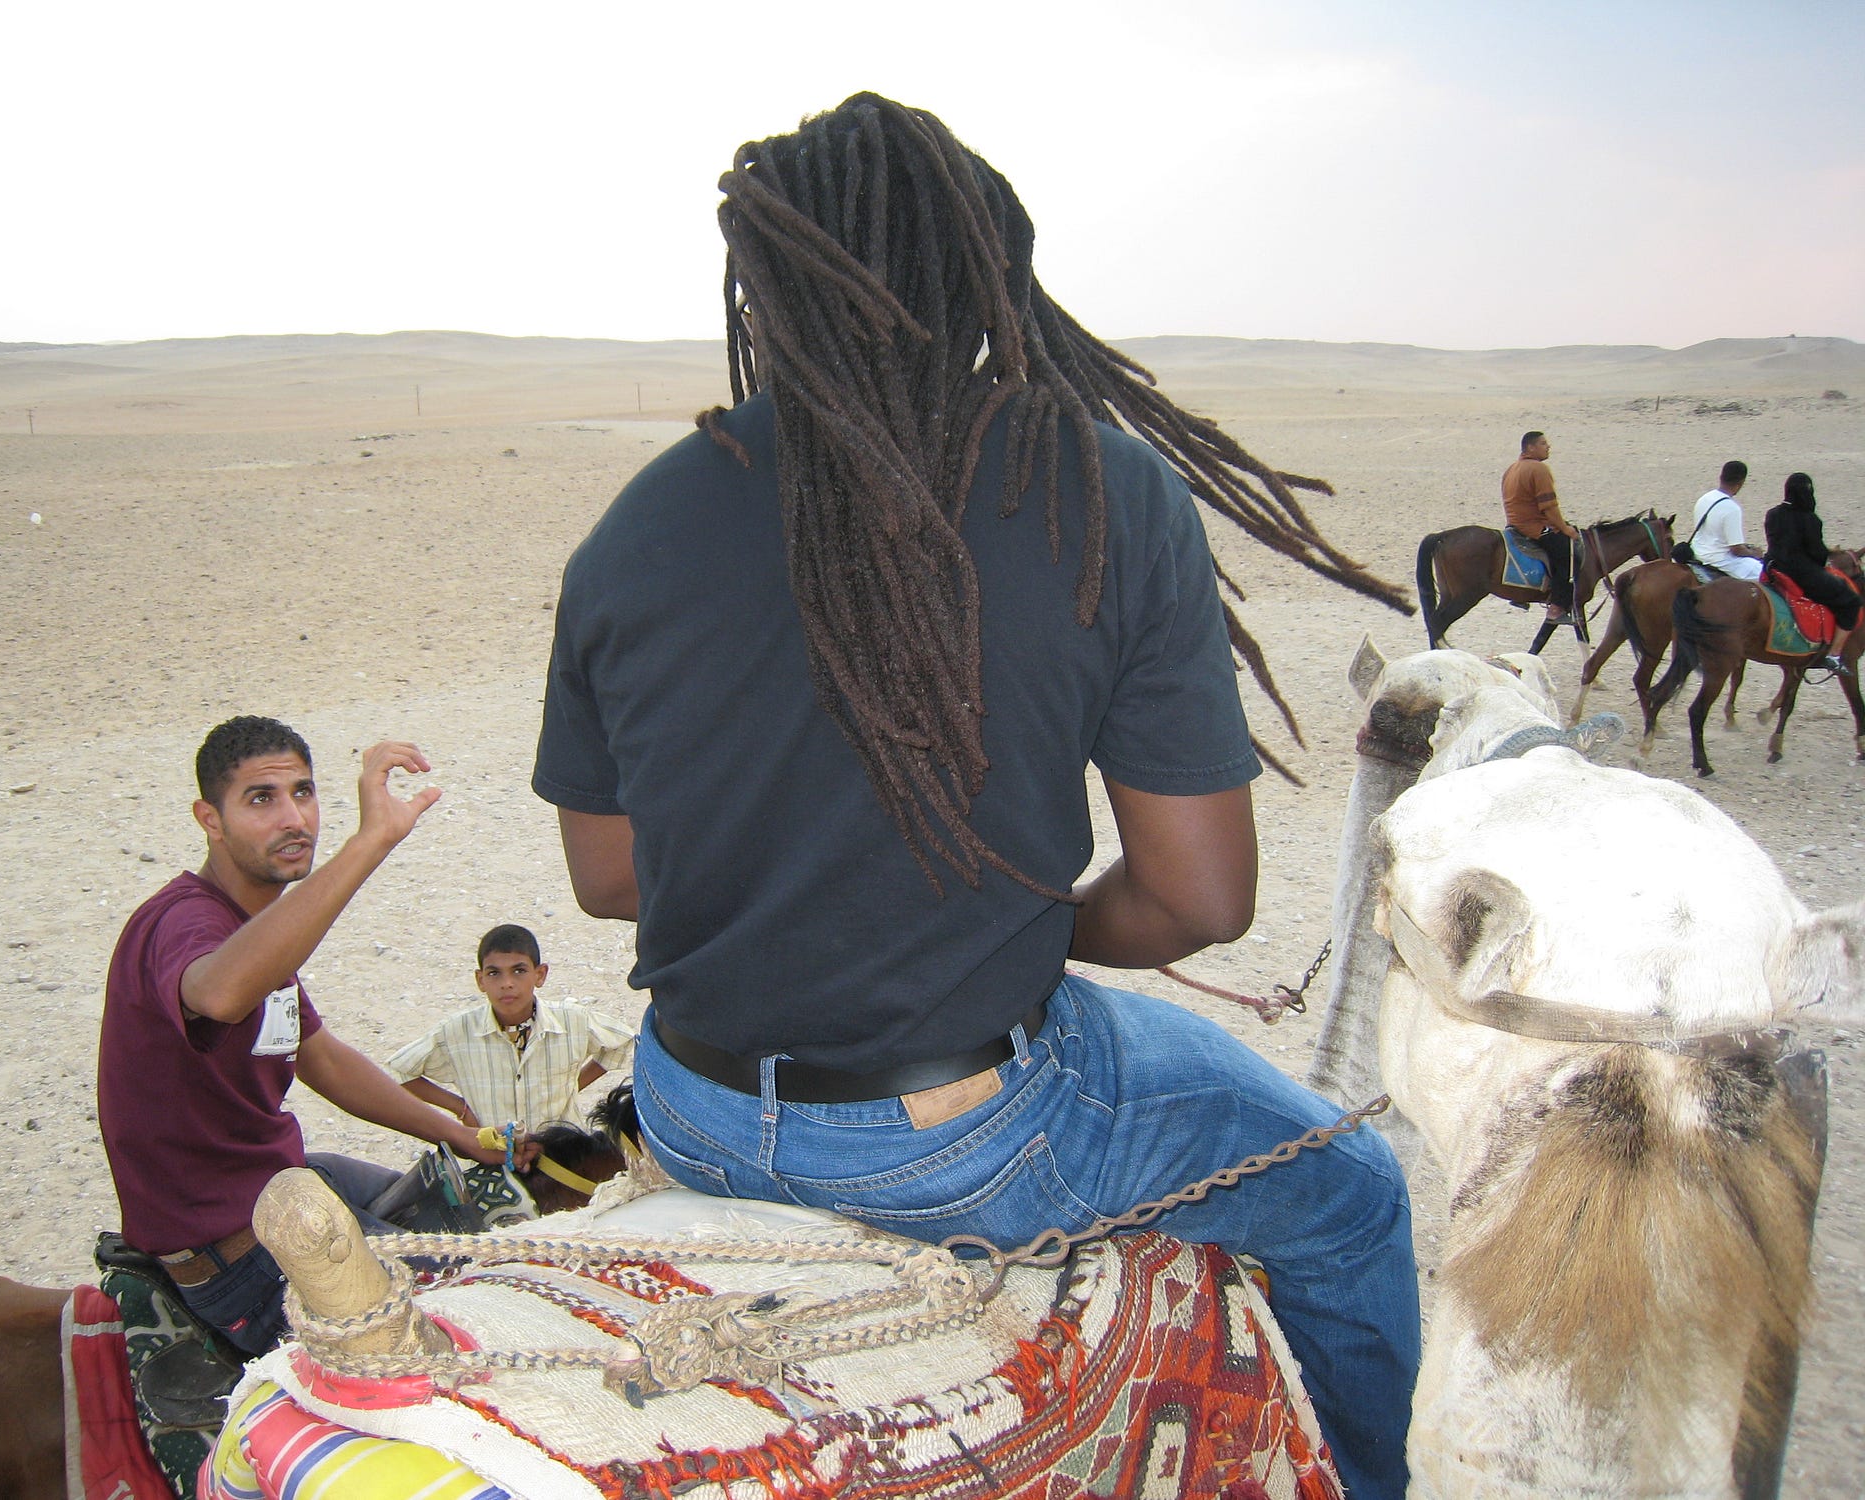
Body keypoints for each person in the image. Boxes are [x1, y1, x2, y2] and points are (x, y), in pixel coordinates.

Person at [533, 94, 1417, 1499]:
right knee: (1356, 1197)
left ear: (760, 286)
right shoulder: (1100, 491)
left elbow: (606, 880)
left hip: (692, 1106)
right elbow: (1200, 899)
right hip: (967, 1139)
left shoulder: (632, 525)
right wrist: (1028, 922)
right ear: (991, 271)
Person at [97, 716, 504, 1355]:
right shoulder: (182, 923)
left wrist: (458, 1134)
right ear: (210, 819)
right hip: (231, 1241)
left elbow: (324, 1059)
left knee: (483, 1235)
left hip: (281, 1179)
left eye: (304, 793)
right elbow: (219, 993)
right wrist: (371, 841)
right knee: (468, 1323)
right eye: (262, 799)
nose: (294, 819)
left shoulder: (255, 928)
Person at [389, 923, 635, 1137]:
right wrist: (460, 1108)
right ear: (480, 980)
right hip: (492, 1155)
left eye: (519, 971)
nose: (507, 983)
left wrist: (570, 1087)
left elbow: (624, 1042)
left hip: (561, 1154)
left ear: (540, 975)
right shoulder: (456, 1033)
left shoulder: (573, 1022)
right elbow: (399, 1071)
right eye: (494, 973)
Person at [1765, 471, 1857, 674]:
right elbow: (1817, 554)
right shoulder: (1810, 519)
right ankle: (1834, 654)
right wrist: (1828, 552)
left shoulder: (1773, 514)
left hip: (1773, 568)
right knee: (1851, 601)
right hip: (1801, 574)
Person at [1502, 429, 1577, 620]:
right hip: (1533, 528)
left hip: (1514, 526)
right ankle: (1557, 606)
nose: (1548, 447)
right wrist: (1565, 528)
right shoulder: (1539, 469)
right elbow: (1549, 507)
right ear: (1530, 448)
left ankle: (1520, 594)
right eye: (1543, 443)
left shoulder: (1511, 469)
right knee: (1566, 552)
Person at [1687, 460, 1764, 581]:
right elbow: (1736, 549)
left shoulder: (1704, 498)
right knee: (1767, 576)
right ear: (1741, 483)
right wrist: (1755, 554)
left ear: (1721, 477)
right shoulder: (1732, 508)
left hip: (1698, 552)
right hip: (1720, 560)